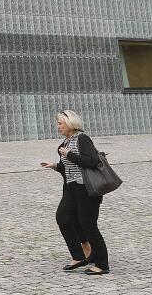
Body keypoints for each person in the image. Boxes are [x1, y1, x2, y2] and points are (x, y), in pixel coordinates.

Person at [41, 110, 110, 275]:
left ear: (70, 123)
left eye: (60, 123)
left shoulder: (82, 139)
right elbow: (69, 168)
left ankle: (102, 264)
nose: (58, 127)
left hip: (86, 188)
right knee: (63, 218)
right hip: (71, 188)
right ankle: (78, 256)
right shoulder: (65, 142)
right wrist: (55, 166)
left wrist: (69, 154)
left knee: (88, 225)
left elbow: (92, 161)